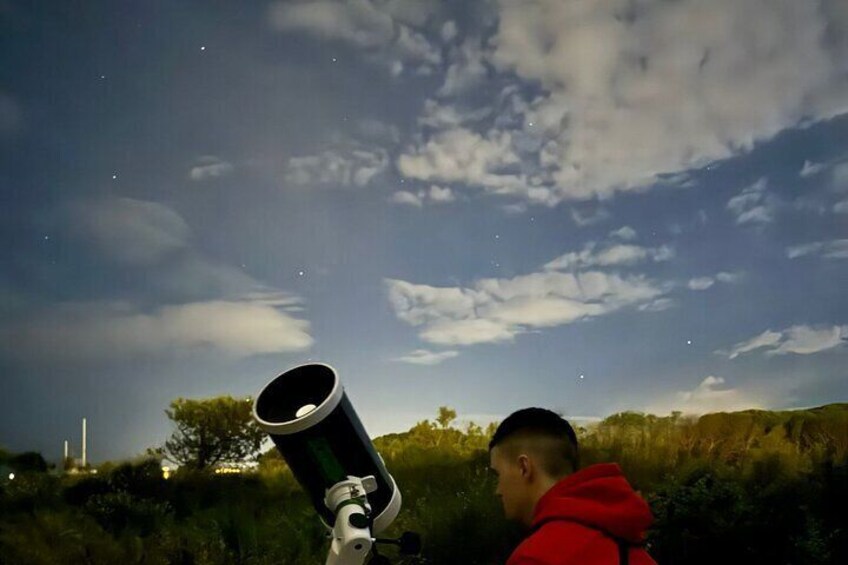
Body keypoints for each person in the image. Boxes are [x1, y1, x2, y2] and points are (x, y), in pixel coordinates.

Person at [489, 407, 657, 565]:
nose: (497, 490)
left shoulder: (535, 558)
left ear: (524, 467)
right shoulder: (628, 544)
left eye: (498, 475)